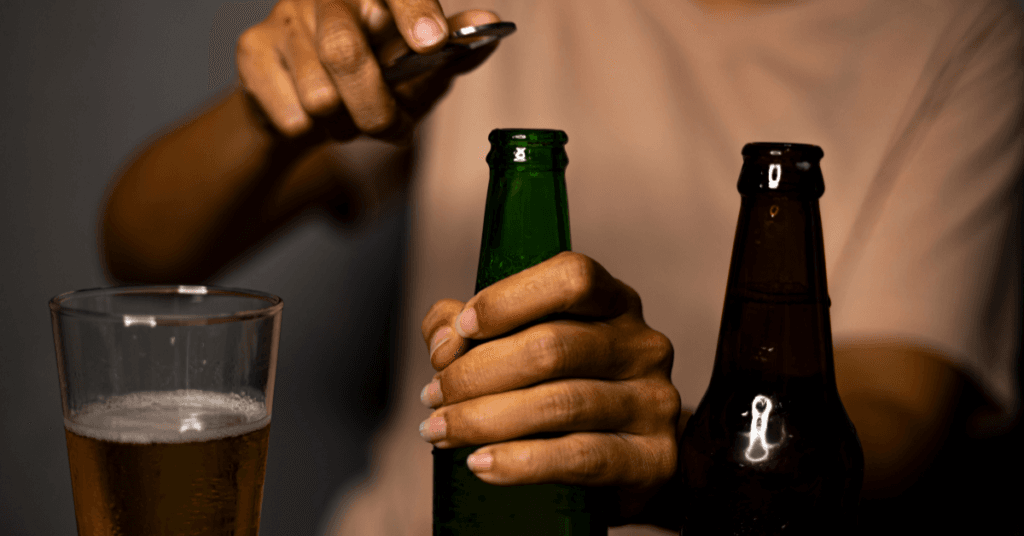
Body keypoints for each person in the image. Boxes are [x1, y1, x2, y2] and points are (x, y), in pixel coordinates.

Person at [102, 0, 1023, 534]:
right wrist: (281, 105)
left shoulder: (964, 26)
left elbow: (897, 408)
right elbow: (148, 250)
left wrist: (667, 459)